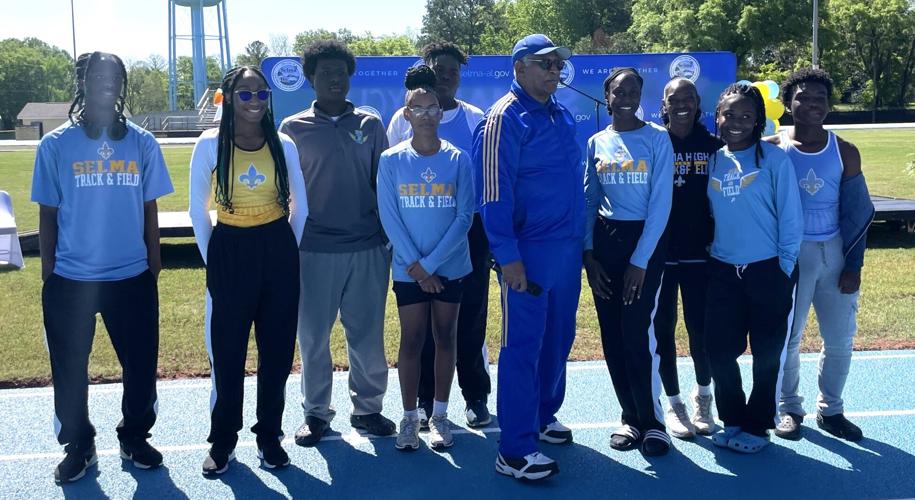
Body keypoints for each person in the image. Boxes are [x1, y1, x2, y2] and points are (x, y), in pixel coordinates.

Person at [31, 51, 173, 483]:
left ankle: (134, 437)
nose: (106, 83)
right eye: (97, 76)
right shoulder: (55, 144)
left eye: (114, 76)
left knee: (140, 367)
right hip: (72, 280)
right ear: (83, 83)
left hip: (131, 276)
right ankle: (80, 444)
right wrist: (50, 274)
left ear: (121, 84)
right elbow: (48, 215)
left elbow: (149, 209)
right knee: (70, 369)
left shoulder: (142, 142)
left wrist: (153, 265)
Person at [473, 34, 583, 481]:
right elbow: (493, 195)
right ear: (519, 68)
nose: (554, 71)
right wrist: (508, 257)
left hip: (567, 250)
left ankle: (542, 414)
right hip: (528, 254)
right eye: (544, 64)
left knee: (559, 339)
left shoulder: (562, 115)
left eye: (558, 64)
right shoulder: (504, 118)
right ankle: (514, 449)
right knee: (523, 347)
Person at [189, 66, 308, 475]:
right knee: (228, 356)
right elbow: (197, 210)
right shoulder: (209, 144)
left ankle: (269, 437)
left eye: (261, 94)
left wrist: (282, 255)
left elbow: (300, 207)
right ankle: (223, 442)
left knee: (276, 356)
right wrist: (216, 261)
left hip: (277, 249)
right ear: (228, 97)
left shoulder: (284, 144)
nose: (255, 101)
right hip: (229, 250)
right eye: (245, 94)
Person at [279, 40, 395, 446]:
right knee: (312, 337)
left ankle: (368, 409)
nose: (334, 79)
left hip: (366, 247)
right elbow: (285, 193)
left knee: (367, 336)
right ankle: (316, 414)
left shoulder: (370, 124)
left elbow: (385, 185)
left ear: (350, 77)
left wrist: (387, 240)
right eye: (325, 72)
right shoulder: (291, 129)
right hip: (312, 250)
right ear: (310, 79)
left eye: (341, 72)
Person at [386, 42, 491, 429]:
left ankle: (475, 395)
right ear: (427, 71)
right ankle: (428, 402)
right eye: (439, 69)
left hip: (468, 233)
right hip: (417, 233)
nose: (446, 76)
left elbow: (484, 180)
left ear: (460, 76)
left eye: (453, 71)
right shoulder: (402, 118)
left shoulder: (477, 118)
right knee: (424, 329)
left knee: (470, 319)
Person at [768, 68, 874, 442]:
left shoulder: (844, 151)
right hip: (790, 256)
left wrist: (854, 266)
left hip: (834, 256)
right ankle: (788, 408)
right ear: (788, 103)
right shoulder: (772, 148)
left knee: (840, 339)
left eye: (820, 99)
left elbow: (859, 212)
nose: (813, 105)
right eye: (804, 98)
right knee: (788, 337)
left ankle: (831, 409)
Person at [705, 82, 803, 454]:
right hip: (724, 271)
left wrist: (783, 268)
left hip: (768, 271)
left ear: (758, 120)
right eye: (730, 114)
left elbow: (791, 219)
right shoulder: (714, 159)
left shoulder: (775, 160)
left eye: (747, 115)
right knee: (719, 351)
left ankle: (758, 426)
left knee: (765, 355)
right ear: (718, 117)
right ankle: (732, 420)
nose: (738, 121)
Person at [583, 67, 675, 456]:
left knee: (637, 335)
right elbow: (589, 201)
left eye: (633, 90)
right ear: (607, 96)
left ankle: (654, 422)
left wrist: (640, 261)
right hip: (606, 245)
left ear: (641, 96)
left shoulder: (657, 139)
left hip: (645, 244)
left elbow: (661, 204)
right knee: (612, 336)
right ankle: (630, 417)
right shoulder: (595, 142)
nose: (625, 96)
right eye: (618, 90)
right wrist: (589, 254)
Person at [653, 77, 723, 439]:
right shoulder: (654, 143)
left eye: (689, 98)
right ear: (664, 105)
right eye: (673, 98)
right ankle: (674, 402)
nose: (682, 104)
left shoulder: (715, 146)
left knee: (701, 330)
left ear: (698, 103)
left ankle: (704, 396)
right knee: (663, 329)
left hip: (702, 254)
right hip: (662, 254)